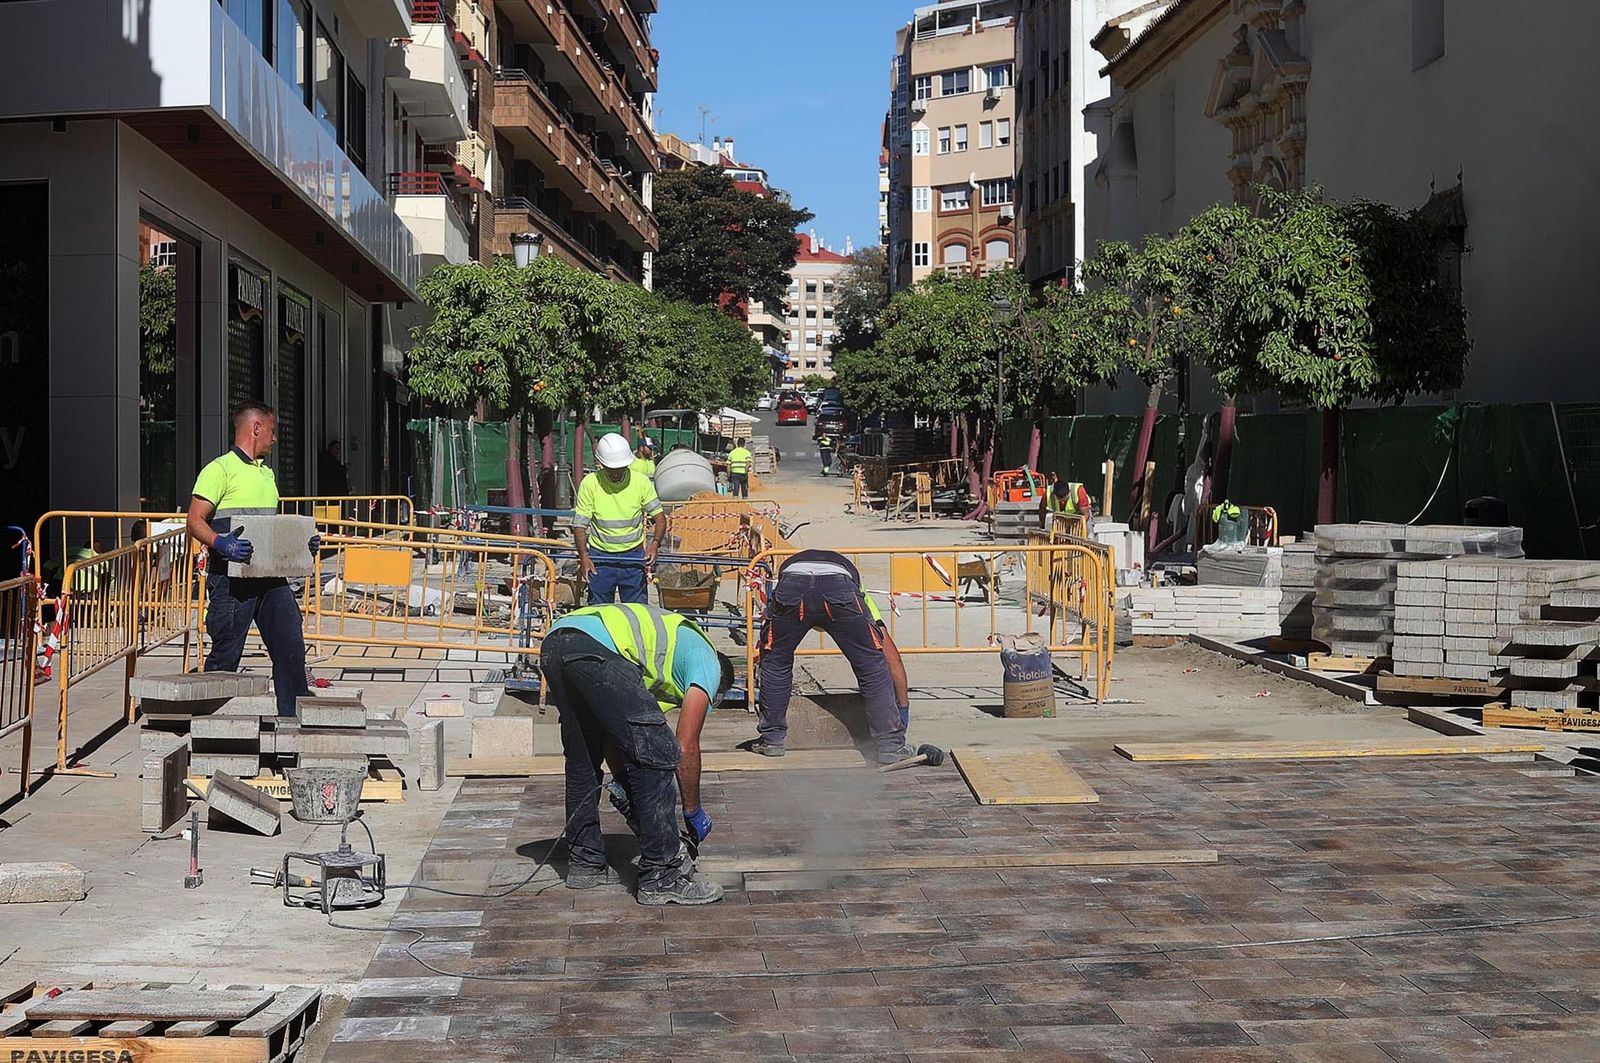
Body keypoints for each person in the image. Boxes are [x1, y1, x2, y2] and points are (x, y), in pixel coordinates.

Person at [540, 603, 733, 905]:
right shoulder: (708, 661)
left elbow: (612, 734)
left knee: (583, 760)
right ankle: (662, 876)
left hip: (556, 641)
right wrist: (692, 811)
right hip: (596, 645)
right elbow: (684, 747)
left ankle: (585, 863)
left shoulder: (654, 662)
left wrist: (622, 782)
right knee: (658, 753)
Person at [185, 402, 315, 719]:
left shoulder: (266, 475)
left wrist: (301, 544)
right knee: (226, 655)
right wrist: (221, 543)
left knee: (290, 647)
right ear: (256, 428)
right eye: (272, 430)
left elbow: (268, 529)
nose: (275, 438)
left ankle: (293, 723)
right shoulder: (220, 470)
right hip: (231, 581)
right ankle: (207, 728)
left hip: (270, 579)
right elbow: (194, 520)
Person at [751, 549, 916, 765]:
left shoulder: (793, 578)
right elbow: (890, 657)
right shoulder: (857, 593)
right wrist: (902, 710)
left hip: (792, 584)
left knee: (776, 663)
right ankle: (890, 746)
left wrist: (769, 657)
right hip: (838, 587)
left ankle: (771, 741)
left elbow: (767, 651)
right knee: (871, 665)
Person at [574, 433, 666, 606]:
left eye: (620, 468)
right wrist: (584, 557)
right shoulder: (590, 483)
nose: (616, 473)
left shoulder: (641, 482)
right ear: (600, 463)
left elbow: (660, 518)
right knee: (599, 612)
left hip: (633, 557)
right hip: (600, 558)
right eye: (611, 469)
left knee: (637, 612)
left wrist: (655, 544)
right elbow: (580, 526)